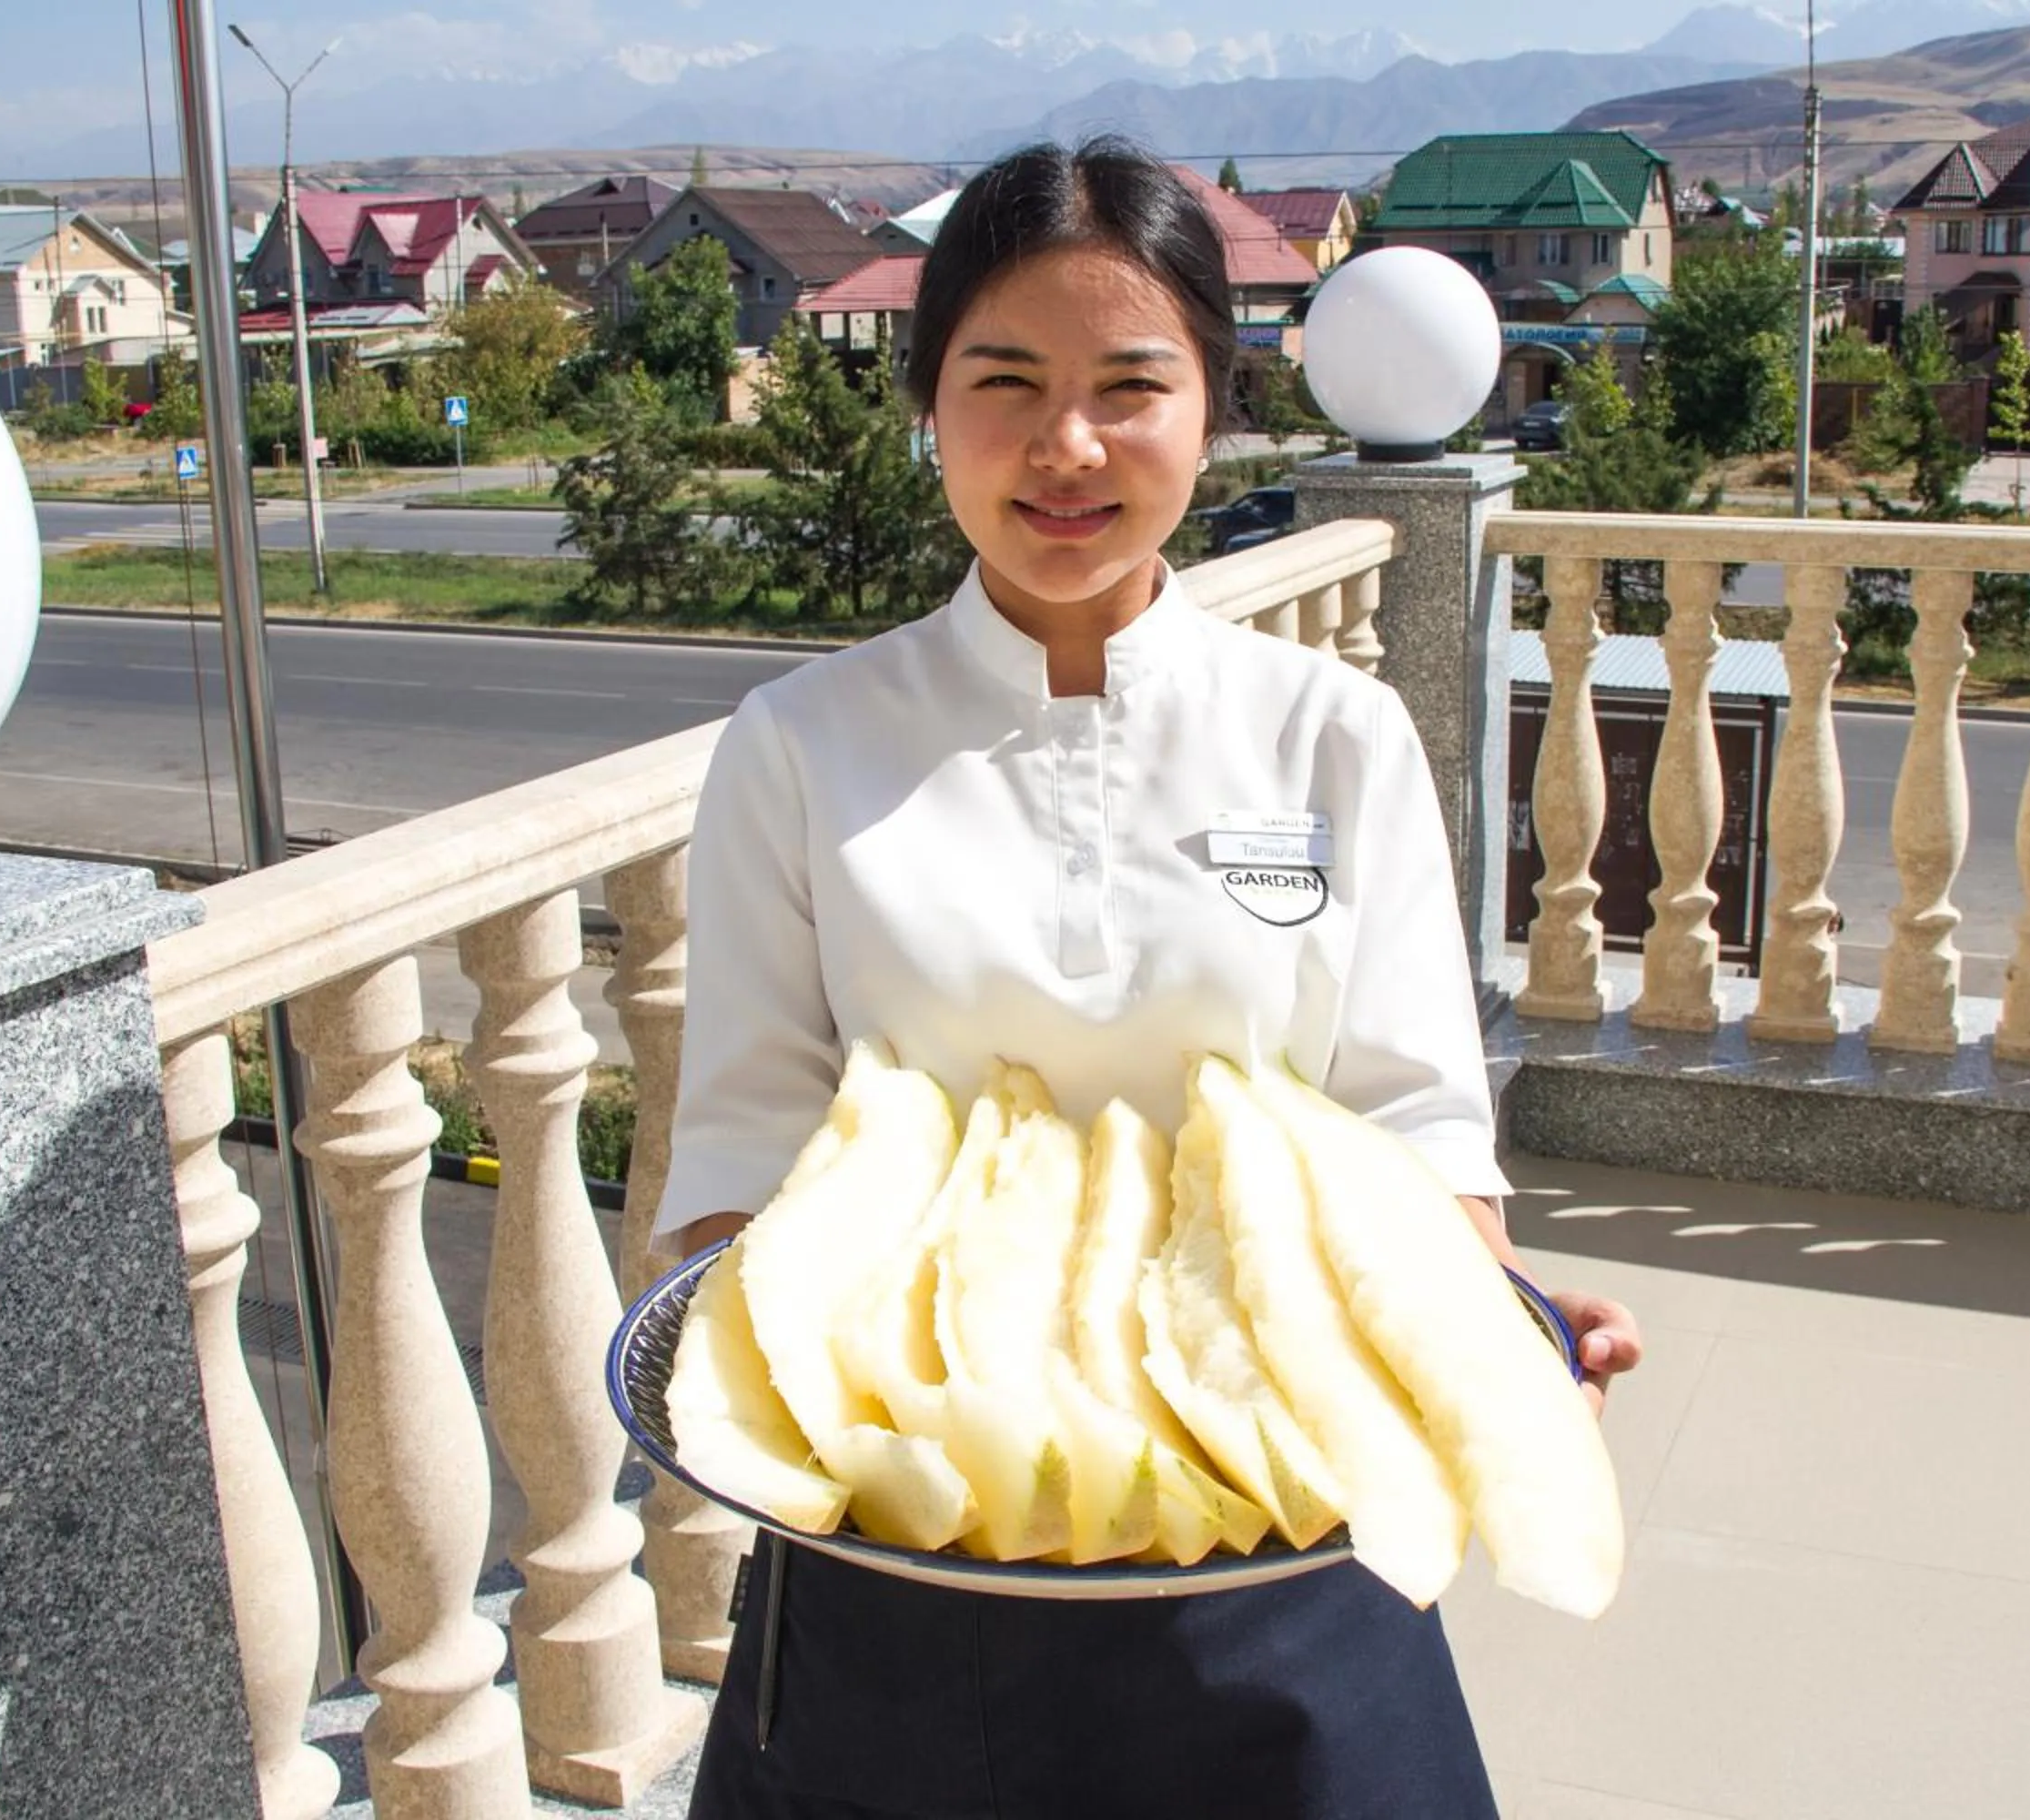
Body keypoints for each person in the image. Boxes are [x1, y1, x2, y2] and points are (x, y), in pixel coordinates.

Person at [654, 136, 1642, 1820]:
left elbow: (1410, 1122)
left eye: (1132, 383)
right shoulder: (801, 751)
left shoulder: (1330, 735)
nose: (1068, 446)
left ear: (1214, 403)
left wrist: (1498, 1325)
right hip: (914, 1553)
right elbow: (738, 1179)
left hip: (1282, 1547)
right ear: (927, 401)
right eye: (1006, 381)